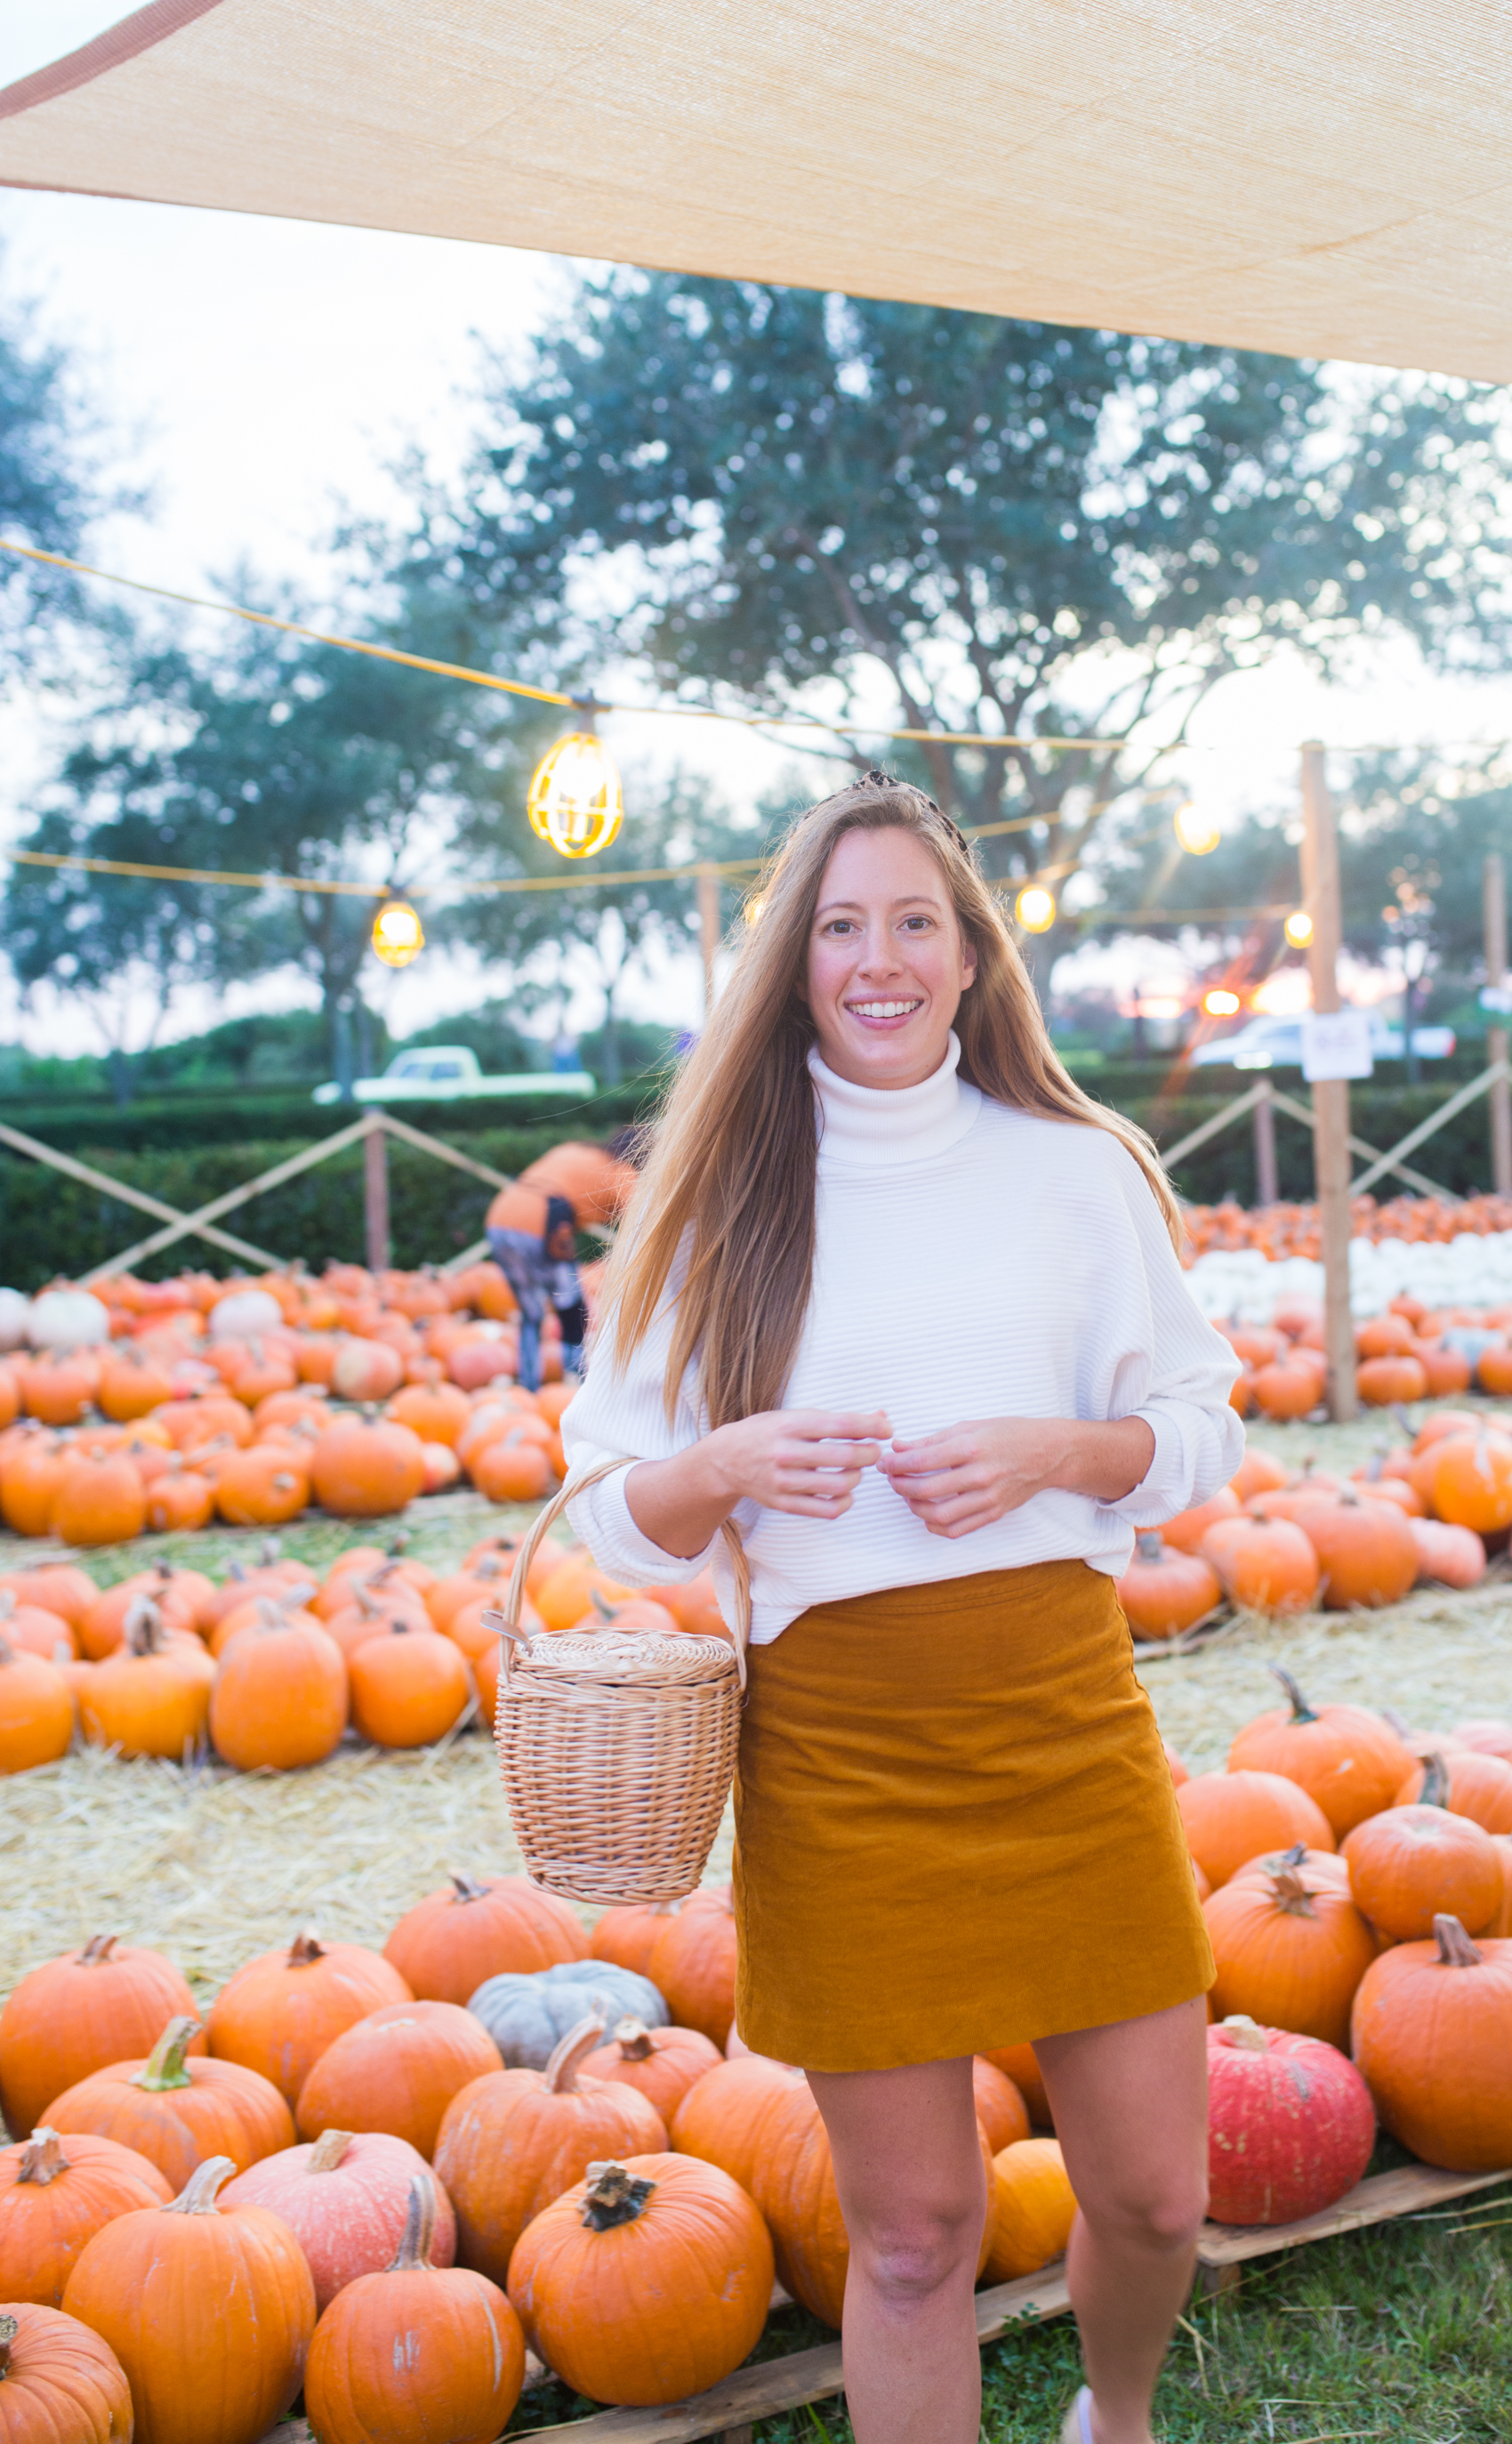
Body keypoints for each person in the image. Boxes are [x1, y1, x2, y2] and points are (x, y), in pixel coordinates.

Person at [559, 771, 1242, 2444]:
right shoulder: (723, 1200)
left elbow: (1205, 1426)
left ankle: (1119, 2420)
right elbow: (604, 1524)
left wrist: (1059, 1451)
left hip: (1064, 1718)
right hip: (844, 1755)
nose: (879, 958)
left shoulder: (1076, 1173)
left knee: (1157, 2193)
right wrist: (723, 1467)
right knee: (920, 2233)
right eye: (841, 925)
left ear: (969, 957)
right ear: (796, 961)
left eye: (913, 923)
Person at [485, 1141, 633, 1387]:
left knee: (531, 1310)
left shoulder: (573, 1149)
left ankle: (529, 1384)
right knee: (570, 1305)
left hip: (500, 1218)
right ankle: (577, 1380)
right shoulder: (622, 1171)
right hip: (544, 1221)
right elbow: (645, 1218)